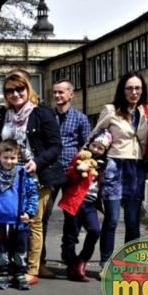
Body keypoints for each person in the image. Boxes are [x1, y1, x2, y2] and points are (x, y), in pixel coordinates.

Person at [0, 72, 64, 286]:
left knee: (32, 222)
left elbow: (56, 146)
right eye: (10, 90)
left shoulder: (42, 114)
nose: (16, 94)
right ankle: (10, 266)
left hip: (36, 177)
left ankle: (31, 269)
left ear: (28, 89)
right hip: (5, 179)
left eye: (20, 89)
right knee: (7, 222)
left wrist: (38, 162)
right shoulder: (0, 115)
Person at [90, 72, 148, 266]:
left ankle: (131, 263)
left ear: (142, 90)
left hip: (136, 168)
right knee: (111, 219)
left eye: (137, 88)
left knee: (133, 221)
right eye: (129, 88)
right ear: (122, 90)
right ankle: (105, 262)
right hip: (114, 166)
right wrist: (87, 160)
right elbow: (94, 136)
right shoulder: (111, 109)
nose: (134, 92)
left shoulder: (147, 111)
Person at [41, 79, 91, 279]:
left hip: (72, 173)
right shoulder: (47, 116)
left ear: (71, 94)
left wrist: (82, 167)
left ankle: (68, 256)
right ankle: (39, 260)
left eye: (61, 92)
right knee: (43, 214)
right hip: (51, 171)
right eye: (55, 92)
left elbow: (86, 146)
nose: (57, 96)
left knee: (72, 216)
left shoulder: (80, 118)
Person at [0, 139, 39, 291]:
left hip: (19, 222)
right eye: (5, 157)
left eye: (12, 158)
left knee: (20, 249)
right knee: (1, 250)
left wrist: (29, 213)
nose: (9, 161)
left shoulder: (23, 174)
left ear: (17, 157)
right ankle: (3, 274)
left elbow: (33, 194)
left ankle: (20, 274)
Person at [58, 131, 116, 282]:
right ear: (89, 144)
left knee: (95, 231)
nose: (96, 149)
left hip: (90, 204)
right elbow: (70, 174)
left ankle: (82, 260)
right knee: (71, 234)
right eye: (94, 145)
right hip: (75, 201)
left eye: (100, 148)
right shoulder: (80, 157)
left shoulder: (103, 165)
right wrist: (78, 170)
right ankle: (71, 264)